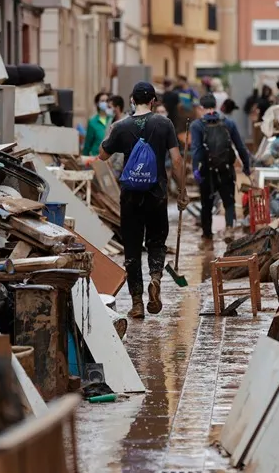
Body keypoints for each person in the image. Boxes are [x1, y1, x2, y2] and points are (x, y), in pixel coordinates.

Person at [99, 82, 187, 319]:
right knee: (157, 241)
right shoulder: (164, 124)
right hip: (157, 195)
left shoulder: (121, 126)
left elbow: (102, 154)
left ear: (131, 100)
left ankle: (137, 303)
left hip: (130, 197)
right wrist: (182, 190)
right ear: (153, 101)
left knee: (132, 249)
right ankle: (156, 279)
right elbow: (177, 161)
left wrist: (112, 133)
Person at [191, 93, 252, 246]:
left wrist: (195, 170)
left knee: (207, 203)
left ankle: (207, 237)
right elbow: (240, 146)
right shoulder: (228, 123)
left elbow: (197, 150)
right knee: (229, 201)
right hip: (226, 169)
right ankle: (230, 229)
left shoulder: (197, 125)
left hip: (207, 170)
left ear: (201, 108)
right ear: (216, 106)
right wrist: (246, 165)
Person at [82, 92, 111, 160]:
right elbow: (88, 143)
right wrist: (84, 158)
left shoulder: (112, 119)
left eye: (107, 101)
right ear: (97, 103)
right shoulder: (92, 122)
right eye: (102, 101)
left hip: (109, 158)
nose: (105, 103)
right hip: (95, 157)